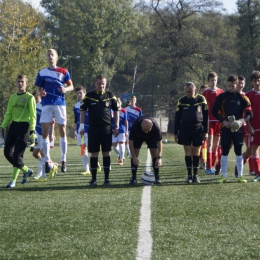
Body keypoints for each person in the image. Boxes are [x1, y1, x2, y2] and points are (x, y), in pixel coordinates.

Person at [35, 48, 74, 174]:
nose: (50, 56)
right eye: (48, 55)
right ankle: (47, 160)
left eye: (52, 54)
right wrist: (41, 93)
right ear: (46, 58)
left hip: (59, 103)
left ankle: (63, 159)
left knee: (62, 130)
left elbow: (71, 86)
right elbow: (39, 89)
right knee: (45, 132)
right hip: (46, 104)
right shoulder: (42, 73)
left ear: (56, 57)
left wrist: (65, 90)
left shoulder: (63, 71)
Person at [79, 75, 119, 186]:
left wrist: (116, 126)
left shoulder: (110, 96)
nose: (101, 85)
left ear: (105, 84)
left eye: (103, 83)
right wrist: (81, 126)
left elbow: (116, 111)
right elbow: (82, 110)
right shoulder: (89, 96)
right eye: (99, 83)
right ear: (94, 83)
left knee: (106, 153)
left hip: (106, 128)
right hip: (93, 129)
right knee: (94, 154)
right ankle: (93, 179)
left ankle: (107, 179)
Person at [212, 75, 252, 183]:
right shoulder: (222, 97)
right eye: (229, 86)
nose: (230, 88)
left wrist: (241, 121)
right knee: (224, 150)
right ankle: (223, 176)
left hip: (238, 128)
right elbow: (214, 111)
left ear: (237, 84)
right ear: (227, 84)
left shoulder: (242, 97)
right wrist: (223, 121)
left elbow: (249, 113)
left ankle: (240, 176)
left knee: (238, 151)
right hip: (225, 128)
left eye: (233, 86)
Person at [0, 75, 36, 188]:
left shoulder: (30, 98)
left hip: (24, 127)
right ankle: (26, 170)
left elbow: (33, 115)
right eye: (18, 82)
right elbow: (9, 113)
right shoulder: (12, 97)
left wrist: (32, 130)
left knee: (17, 155)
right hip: (13, 126)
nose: (20, 84)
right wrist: (3, 126)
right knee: (7, 152)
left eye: (22, 82)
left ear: (27, 84)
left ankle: (13, 181)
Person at [174, 82, 209, 183]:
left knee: (196, 151)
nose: (188, 93)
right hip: (185, 128)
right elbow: (177, 118)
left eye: (190, 91)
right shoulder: (181, 101)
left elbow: (206, 116)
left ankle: (196, 175)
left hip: (198, 128)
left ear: (195, 90)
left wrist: (206, 130)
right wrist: (176, 132)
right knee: (188, 151)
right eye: (186, 92)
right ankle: (189, 176)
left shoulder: (201, 99)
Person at [73, 86, 101, 175]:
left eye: (81, 93)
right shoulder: (76, 105)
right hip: (80, 131)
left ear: (85, 93)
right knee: (82, 149)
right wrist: (75, 130)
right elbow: (75, 119)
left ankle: (96, 164)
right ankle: (87, 169)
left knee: (91, 150)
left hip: (90, 130)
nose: (79, 95)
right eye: (78, 93)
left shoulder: (91, 104)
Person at [129, 116, 163, 185]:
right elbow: (130, 141)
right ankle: (134, 178)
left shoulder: (156, 126)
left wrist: (159, 157)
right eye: (145, 130)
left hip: (151, 137)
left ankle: (157, 177)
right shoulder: (135, 125)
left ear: (152, 126)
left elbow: (160, 142)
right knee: (135, 153)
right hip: (138, 137)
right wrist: (134, 156)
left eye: (148, 130)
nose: (146, 132)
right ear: (141, 125)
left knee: (154, 152)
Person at [32, 90, 57, 181]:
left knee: (43, 154)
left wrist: (52, 133)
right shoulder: (35, 106)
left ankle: (42, 175)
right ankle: (51, 165)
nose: (35, 99)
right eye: (34, 98)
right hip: (37, 132)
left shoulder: (47, 106)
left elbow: (52, 121)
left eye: (36, 98)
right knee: (35, 154)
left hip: (45, 133)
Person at [203, 72, 224, 174]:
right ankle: (208, 167)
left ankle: (214, 166)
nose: (214, 82)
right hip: (209, 121)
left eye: (215, 80)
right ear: (208, 81)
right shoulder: (205, 93)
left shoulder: (221, 92)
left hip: (218, 121)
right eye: (212, 80)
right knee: (210, 144)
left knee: (216, 145)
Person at [234, 75, 255, 177]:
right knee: (227, 147)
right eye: (239, 83)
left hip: (245, 125)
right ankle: (219, 166)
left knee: (250, 148)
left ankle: (251, 170)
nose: (240, 85)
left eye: (242, 83)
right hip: (234, 126)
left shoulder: (245, 96)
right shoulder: (230, 96)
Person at [245, 71, 260, 181]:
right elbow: (246, 114)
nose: (257, 82)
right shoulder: (248, 95)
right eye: (255, 81)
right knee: (253, 149)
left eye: (259, 80)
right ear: (251, 82)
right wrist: (249, 126)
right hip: (254, 127)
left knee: (252, 150)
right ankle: (258, 173)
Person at [111, 97, 128, 165]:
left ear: (120, 103)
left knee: (121, 145)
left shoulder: (124, 111)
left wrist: (126, 131)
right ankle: (120, 155)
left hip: (121, 130)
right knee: (114, 147)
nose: (117, 104)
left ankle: (121, 160)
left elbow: (126, 121)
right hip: (113, 130)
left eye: (118, 102)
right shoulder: (112, 111)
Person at [199, 84, 208, 169]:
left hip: (206, 124)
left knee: (205, 145)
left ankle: (204, 161)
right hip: (198, 125)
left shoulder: (208, 101)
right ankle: (198, 160)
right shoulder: (198, 101)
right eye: (202, 90)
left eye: (205, 90)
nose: (204, 92)